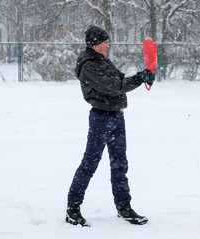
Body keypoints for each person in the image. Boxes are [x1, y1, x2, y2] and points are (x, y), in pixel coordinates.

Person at [66, 25, 154, 227]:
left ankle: (124, 207)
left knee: (120, 164)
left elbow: (120, 78)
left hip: (116, 117)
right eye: (105, 42)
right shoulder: (89, 65)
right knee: (90, 164)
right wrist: (139, 79)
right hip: (101, 119)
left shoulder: (102, 60)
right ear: (95, 44)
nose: (108, 45)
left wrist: (142, 75)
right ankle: (72, 208)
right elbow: (114, 87)